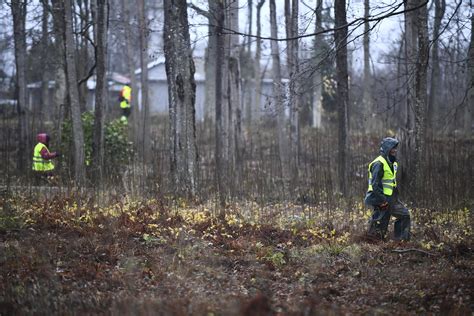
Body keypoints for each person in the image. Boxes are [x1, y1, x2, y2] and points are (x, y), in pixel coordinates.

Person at [365, 137, 411, 241]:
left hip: (392, 198)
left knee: (404, 215)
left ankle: (401, 241)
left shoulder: (393, 163)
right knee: (380, 222)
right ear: (386, 149)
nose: (395, 150)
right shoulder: (378, 163)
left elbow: (390, 182)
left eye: (395, 148)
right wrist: (382, 200)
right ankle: (372, 243)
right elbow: (375, 185)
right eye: (392, 148)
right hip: (379, 198)